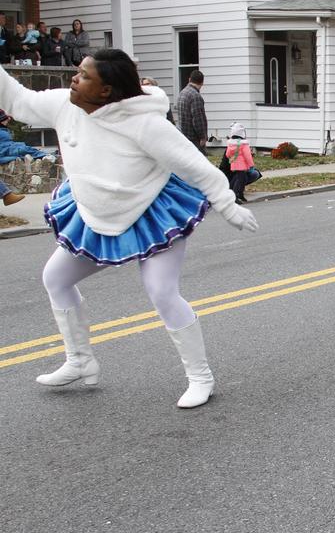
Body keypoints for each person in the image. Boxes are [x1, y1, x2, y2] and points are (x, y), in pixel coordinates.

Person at [0, 49, 259, 408]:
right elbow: (17, 99)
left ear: (106, 90)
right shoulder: (64, 105)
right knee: (55, 278)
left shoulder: (145, 124)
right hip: (95, 213)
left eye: (84, 75)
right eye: (78, 72)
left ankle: (201, 378)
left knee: (161, 291)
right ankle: (79, 361)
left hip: (151, 212)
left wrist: (228, 205)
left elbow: (194, 166)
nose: (74, 78)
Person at [176, 69, 208, 152]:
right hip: (193, 139)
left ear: (189, 79)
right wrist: (202, 137)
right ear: (202, 83)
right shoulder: (195, 96)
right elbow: (198, 119)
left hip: (183, 135)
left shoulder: (182, 93)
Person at [225, 122, 255, 204]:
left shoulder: (230, 144)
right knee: (240, 180)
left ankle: (239, 194)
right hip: (242, 165)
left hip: (234, 164)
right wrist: (251, 164)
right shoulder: (244, 144)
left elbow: (227, 154)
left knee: (240, 178)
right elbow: (247, 155)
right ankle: (235, 195)